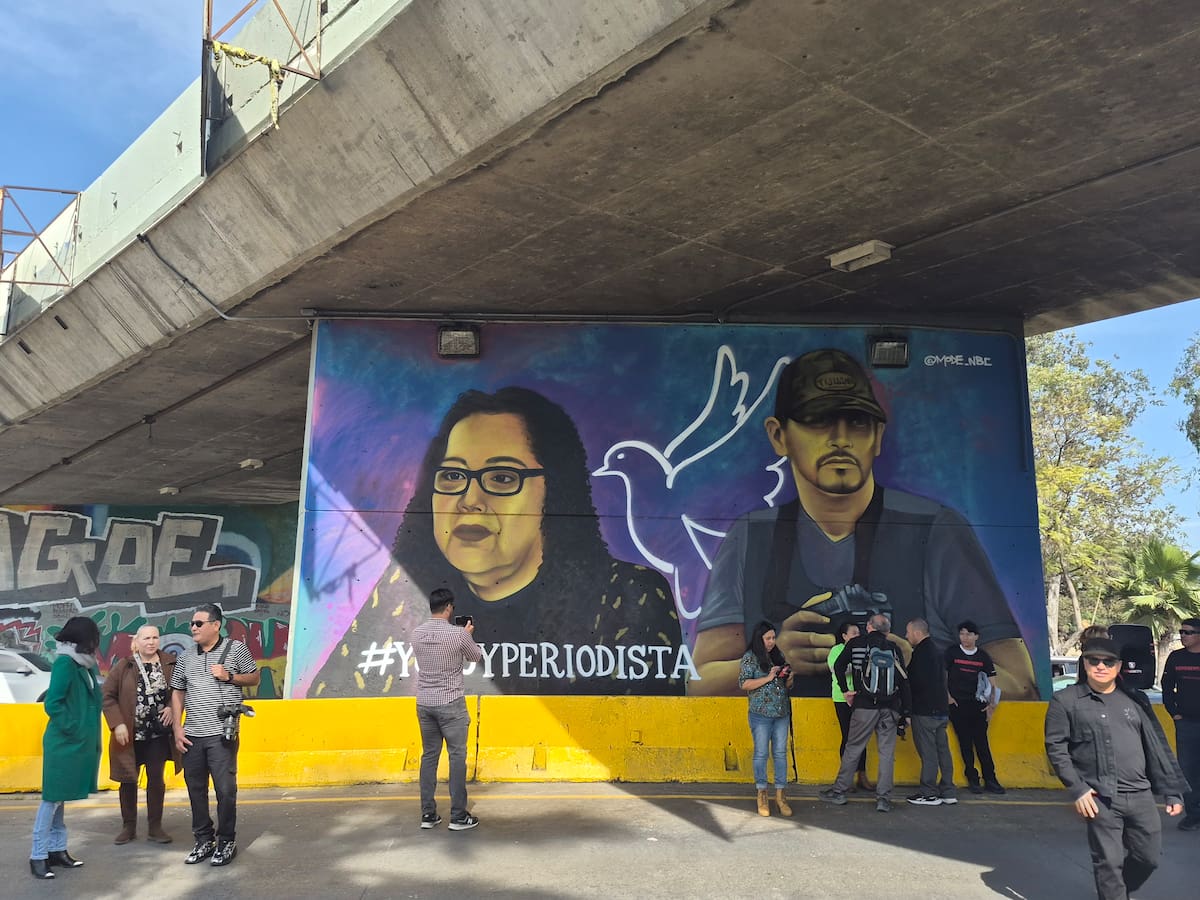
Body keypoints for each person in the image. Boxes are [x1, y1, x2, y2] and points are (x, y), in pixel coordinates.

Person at [691, 348, 1037, 699]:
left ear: (878, 435)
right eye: (818, 419)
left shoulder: (935, 531)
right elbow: (700, 681)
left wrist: (916, 666)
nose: (841, 438)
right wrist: (775, 660)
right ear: (779, 435)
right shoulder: (750, 536)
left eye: (857, 422)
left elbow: (1020, 683)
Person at [311, 387, 682, 696]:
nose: (469, 499)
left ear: (554, 492)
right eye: (453, 475)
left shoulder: (630, 595)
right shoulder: (401, 592)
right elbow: (327, 712)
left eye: (502, 478)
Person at [1045, 638, 1188, 900]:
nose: (1101, 666)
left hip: (1140, 795)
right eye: (1094, 660)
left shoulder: (1135, 699)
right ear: (1084, 663)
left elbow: (1156, 747)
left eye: (1108, 661)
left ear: (1118, 665)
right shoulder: (1065, 701)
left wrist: (1172, 791)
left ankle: (1116, 890)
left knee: (1148, 859)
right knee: (1108, 862)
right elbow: (1056, 748)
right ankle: (1112, 893)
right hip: (1100, 796)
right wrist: (1078, 789)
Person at [170, 603, 259, 867]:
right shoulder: (186, 656)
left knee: (225, 790)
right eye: (192, 624)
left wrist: (229, 676)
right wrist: (177, 727)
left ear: (216, 625)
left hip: (222, 735)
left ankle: (226, 841)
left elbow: (254, 677)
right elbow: (177, 691)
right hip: (192, 735)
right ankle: (203, 840)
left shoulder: (236, 649)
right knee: (195, 790)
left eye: (199, 623)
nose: (193, 628)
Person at [29, 616, 102, 880]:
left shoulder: (83, 664)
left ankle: (57, 850)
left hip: (76, 742)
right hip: (63, 743)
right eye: (94, 637)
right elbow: (53, 703)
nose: (97, 643)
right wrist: (74, 728)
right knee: (51, 799)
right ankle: (38, 855)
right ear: (85, 639)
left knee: (60, 800)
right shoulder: (65, 664)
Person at [820, 612, 910, 812]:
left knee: (854, 747)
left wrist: (845, 691)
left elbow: (839, 666)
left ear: (869, 626)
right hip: (890, 707)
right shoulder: (893, 648)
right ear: (887, 630)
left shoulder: (856, 644)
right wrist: (906, 712)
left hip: (864, 706)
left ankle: (839, 792)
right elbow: (904, 681)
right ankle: (883, 799)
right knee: (886, 753)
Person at [102, 624, 182, 844]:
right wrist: (117, 724)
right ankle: (128, 827)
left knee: (156, 778)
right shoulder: (124, 666)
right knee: (128, 779)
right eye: (146, 638)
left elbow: (180, 691)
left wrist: (170, 707)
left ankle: (155, 827)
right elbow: (107, 696)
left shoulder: (170, 663)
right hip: (129, 735)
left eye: (155, 637)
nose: (151, 642)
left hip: (157, 735)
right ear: (136, 641)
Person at [413, 587, 485, 831]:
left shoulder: (417, 634)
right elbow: (475, 657)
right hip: (451, 703)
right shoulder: (458, 635)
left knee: (429, 756)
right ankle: (458, 815)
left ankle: (428, 815)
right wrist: (468, 634)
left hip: (424, 703)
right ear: (449, 607)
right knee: (457, 757)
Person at [739, 620, 794, 817]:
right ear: (759, 638)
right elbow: (744, 684)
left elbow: (786, 686)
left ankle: (781, 795)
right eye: (768, 638)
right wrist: (768, 677)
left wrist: (788, 677)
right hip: (760, 714)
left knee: (780, 753)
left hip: (781, 713)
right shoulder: (750, 658)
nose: (772, 641)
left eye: (773, 637)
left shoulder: (778, 655)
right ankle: (762, 793)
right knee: (762, 753)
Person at [946, 619, 1004, 794]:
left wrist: (992, 704)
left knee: (982, 744)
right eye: (962, 634)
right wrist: (948, 697)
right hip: (958, 704)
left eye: (969, 634)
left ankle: (991, 779)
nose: (965, 637)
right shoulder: (952, 653)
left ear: (976, 636)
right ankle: (973, 779)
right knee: (965, 743)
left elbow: (993, 682)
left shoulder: (983, 657)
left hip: (978, 706)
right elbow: (943, 676)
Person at [905, 617, 956, 806]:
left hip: (924, 711)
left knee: (928, 753)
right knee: (943, 751)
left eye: (908, 632)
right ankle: (948, 791)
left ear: (917, 633)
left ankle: (928, 793)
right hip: (941, 710)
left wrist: (907, 708)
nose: (906, 636)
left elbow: (915, 682)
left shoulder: (921, 653)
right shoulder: (936, 651)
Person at [1162, 616, 1200, 831]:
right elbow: (1167, 688)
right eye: (1181, 632)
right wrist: (1174, 712)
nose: (1183, 636)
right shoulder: (1176, 658)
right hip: (1186, 724)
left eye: (1188, 632)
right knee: (1188, 771)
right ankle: (1193, 814)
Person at [828, 620, 872, 792]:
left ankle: (862, 775)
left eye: (858, 633)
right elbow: (836, 669)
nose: (857, 636)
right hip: (842, 698)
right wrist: (853, 663)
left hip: (861, 697)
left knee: (862, 737)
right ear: (844, 636)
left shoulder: (862, 649)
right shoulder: (837, 650)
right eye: (853, 633)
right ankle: (847, 778)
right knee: (847, 737)